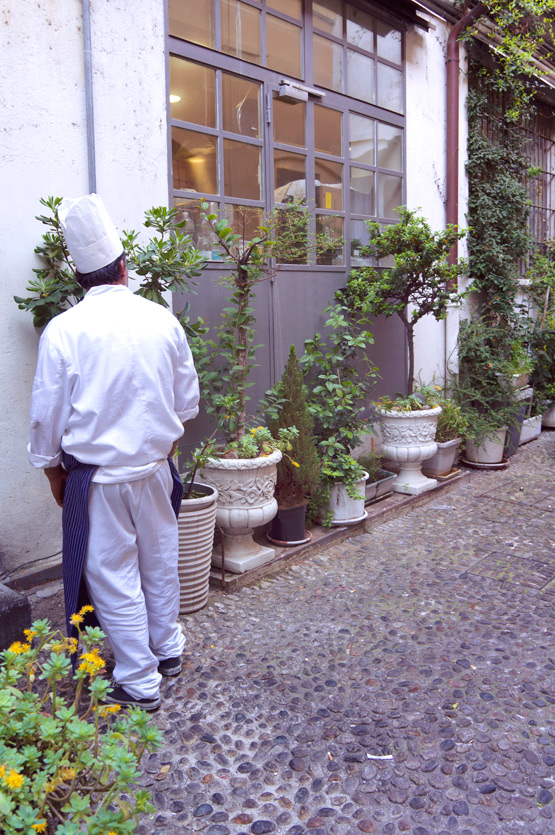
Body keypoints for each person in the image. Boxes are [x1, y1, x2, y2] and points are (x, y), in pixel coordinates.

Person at [27, 193, 199, 711]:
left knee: (114, 574)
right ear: (124, 267)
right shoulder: (161, 319)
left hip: (99, 478)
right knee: (159, 559)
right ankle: (167, 648)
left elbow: (46, 416)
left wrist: (52, 472)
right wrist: (166, 445)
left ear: (80, 278)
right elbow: (186, 400)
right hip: (155, 469)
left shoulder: (63, 331)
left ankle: (141, 681)